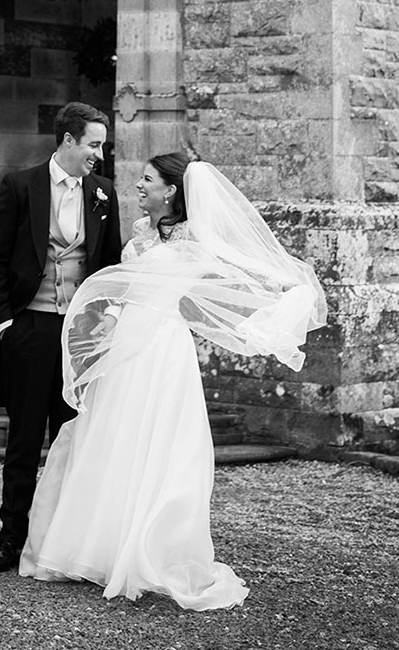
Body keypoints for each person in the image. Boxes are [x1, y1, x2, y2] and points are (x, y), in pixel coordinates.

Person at [19, 148, 328, 608]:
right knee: (112, 441)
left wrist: (289, 291)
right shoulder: (141, 232)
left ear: (171, 191)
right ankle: (98, 548)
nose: (138, 186)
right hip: (125, 347)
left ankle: (151, 551)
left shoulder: (197, 239)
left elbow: (236, 276)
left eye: (147, 179)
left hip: (162, 348)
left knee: (162, 447)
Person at [0, 102, 122, 573]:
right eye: (94, 144)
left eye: (102, 145)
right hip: (30, 329)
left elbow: (108, 268)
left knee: (69, 437)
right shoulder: (21, 186)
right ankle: (10, 539)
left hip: (76, 335)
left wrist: (102, 323)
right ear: (68, 141)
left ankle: (60, 543)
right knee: (23, 441)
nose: (99, 153)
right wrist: (5, 324)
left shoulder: (103, 193)